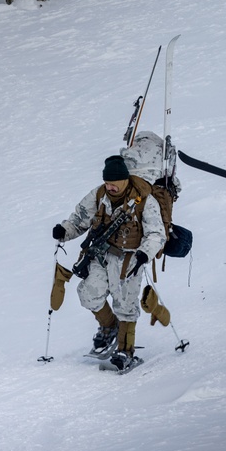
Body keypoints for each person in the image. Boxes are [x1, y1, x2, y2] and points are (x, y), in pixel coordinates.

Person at [52, 155, 166, 371]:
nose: (110, 187)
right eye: (107, 182)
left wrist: (144, 253)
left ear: (124, 180)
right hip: (101, 255)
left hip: (130, 258)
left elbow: (156, 234)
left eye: (114, 183)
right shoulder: (98, 195)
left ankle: (126, 349)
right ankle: (108, 326)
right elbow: (79, 219)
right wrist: (64, 231)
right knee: (88, 293)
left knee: (126, 304)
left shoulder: (144, 201)